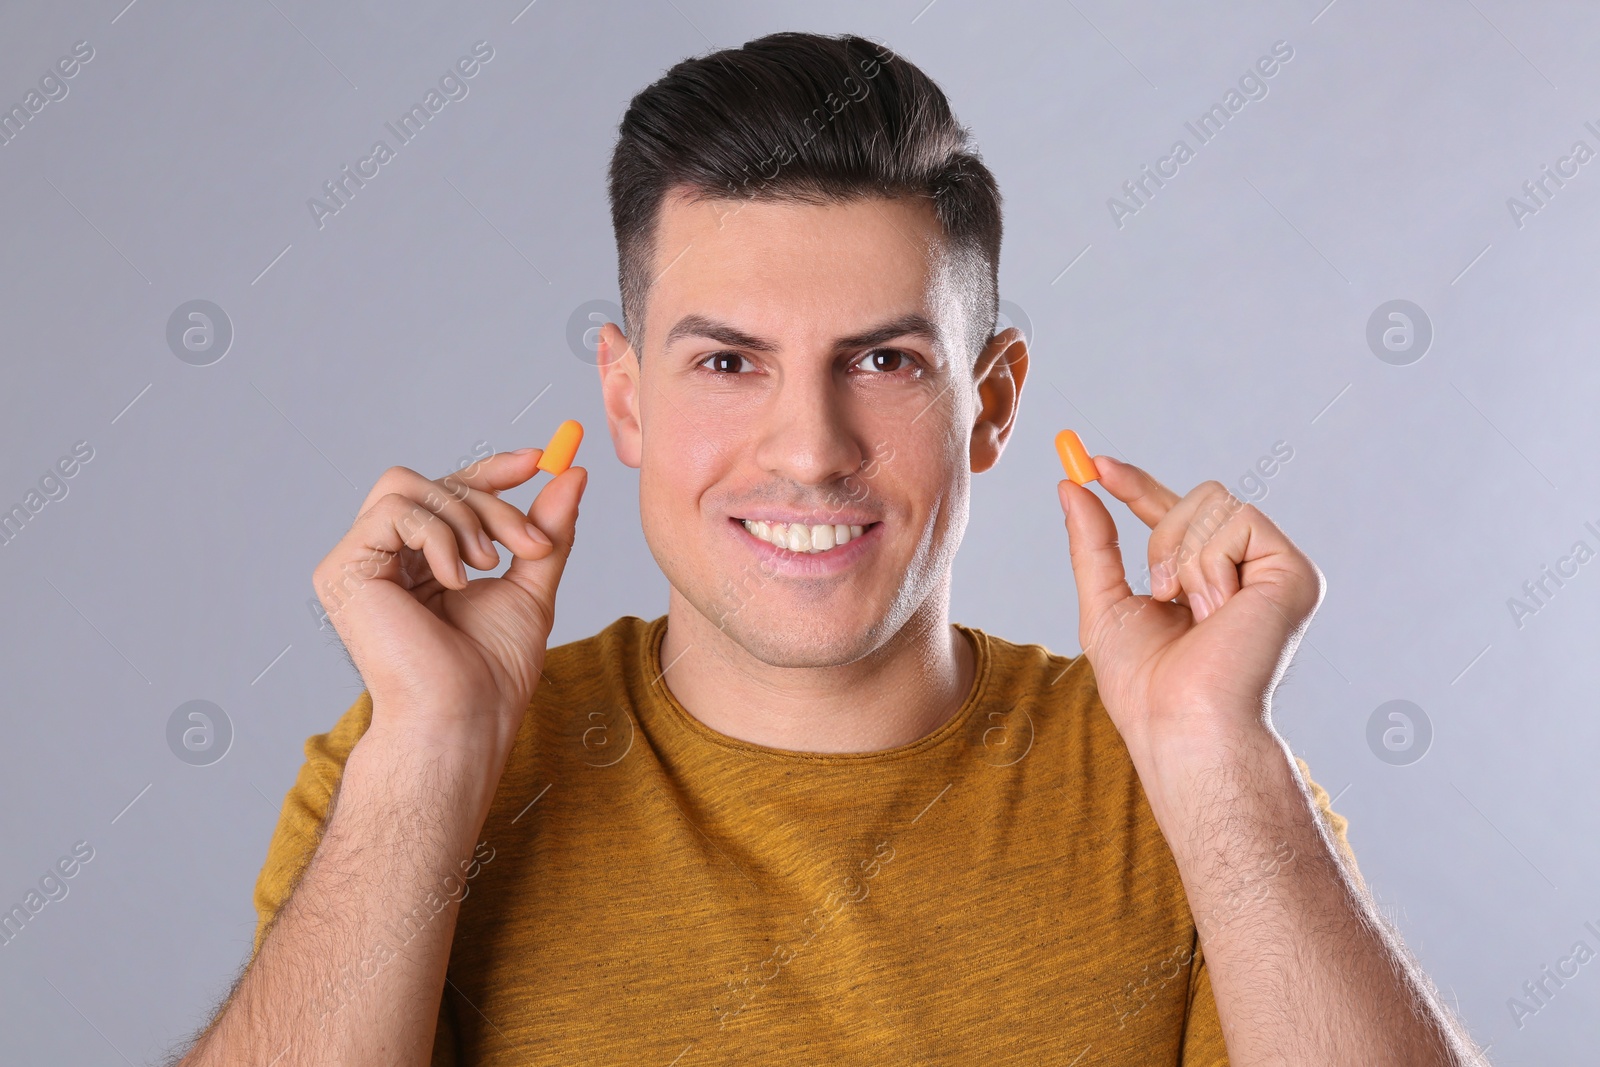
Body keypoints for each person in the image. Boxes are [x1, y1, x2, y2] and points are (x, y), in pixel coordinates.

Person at [171, 31, 1488, 1066]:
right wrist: (435, 751)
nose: (808, 447)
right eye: (729, 361)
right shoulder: (408, 759)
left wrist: (1218, 757)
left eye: (885, 360)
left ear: (996, 403)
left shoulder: (1197, 781)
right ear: (627, 399)